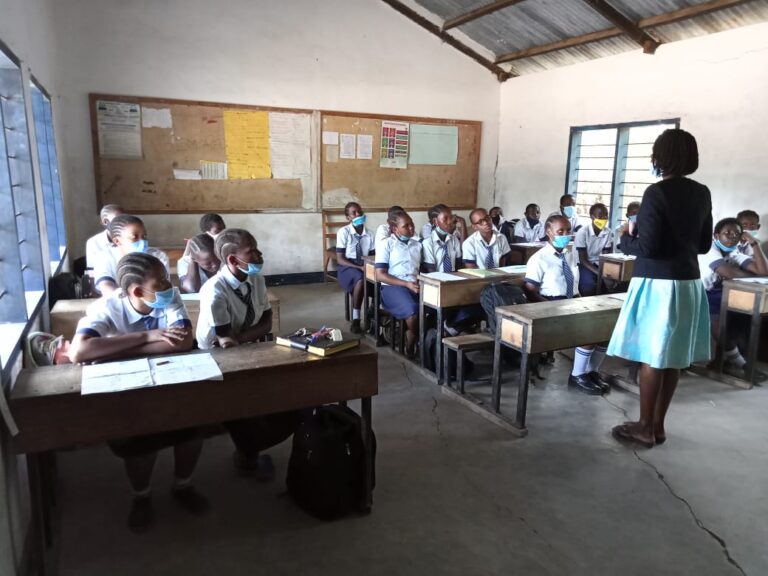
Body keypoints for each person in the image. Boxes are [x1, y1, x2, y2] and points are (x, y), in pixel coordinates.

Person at [68, 252, 207, 532]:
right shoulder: (105, 308)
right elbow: (79, 351)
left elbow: (181, 344)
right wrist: (146, 336)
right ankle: (141, 495)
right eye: (161, 283)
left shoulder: (169, 298)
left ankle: (183, 484)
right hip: (127, 389)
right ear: (136, 291)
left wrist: (113, 350)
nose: (169, 286)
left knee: (193, 430)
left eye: (168, 279)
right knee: (139, 443)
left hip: (170, 381)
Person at [607, 128, 713, 448]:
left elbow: (648, 247)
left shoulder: (657, 193)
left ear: (659, 157)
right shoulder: (702, 192)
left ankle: (643, 426)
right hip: (688, 282)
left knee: (652, 355)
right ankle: (658, 425)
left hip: (658, 284)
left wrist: (627, 237)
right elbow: (705, 245)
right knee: (673, 357)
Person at [196, 228, 300, 478]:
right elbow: (223, 342)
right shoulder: (215, 290)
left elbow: (266, 321)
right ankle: (247, 451)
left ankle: (249, 448)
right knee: (244, 407)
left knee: (290, 399)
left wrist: (242, 339)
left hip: (245, 346)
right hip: (215, 358)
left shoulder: (256, 279)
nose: (259, 254)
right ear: (232, 260)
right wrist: (241, 341)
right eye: (251, 251)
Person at [524, 215, 608, 395]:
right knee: (588, 331)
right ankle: (577, 375)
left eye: (568, 231)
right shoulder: (539, 259)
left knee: (605, 329)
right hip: (550, 305)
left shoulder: (570, 255)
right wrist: (551, 309)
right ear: (548, 232)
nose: (566, 234)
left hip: (572, 301)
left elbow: (574, 284)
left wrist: (583, 303)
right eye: (560, 231)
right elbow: (531, 291)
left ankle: (591, 372)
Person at [699, 217, 768, 371]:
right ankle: (741, 364)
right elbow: (728, 272)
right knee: (718, 325)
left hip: (724, 292)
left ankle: (727, 361)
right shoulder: (711, 249)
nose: (732, 236)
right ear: (717, 236)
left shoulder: (733, 250)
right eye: (727, 233)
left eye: (737, 233)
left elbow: (763, 271)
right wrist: (745, 274)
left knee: (744, 318)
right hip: (703, 293)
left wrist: (754, 243)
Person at [375, 211, 422, 357]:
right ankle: (412, 337)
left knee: (435, 307)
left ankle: (425, 341)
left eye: (412, 224)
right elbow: (379, 274)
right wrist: (406, 284)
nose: (411, 228)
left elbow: (423, 269)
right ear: (395, 229)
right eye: (406, 226)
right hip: (393, 287)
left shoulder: (417, 245)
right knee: (413, 311)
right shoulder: (387, 244)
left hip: (414, 285)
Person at [92, 215, 170, 296]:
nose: (142, 242)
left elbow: (163, 287)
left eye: (144, 236)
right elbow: (106, 286)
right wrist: (125, 300)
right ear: (117, 241)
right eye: (134, 237)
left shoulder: (157, 256)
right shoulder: (104, 257)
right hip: (118, 303)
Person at [335, 202, 374, 333]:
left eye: (360, 211)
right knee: (360, 279)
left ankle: (373, 312)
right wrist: (359, 267)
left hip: (365, 264)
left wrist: (367, 267)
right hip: (347, 266)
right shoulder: (344, 232)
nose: (358, 214)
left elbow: (373, 256)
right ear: (348, 218)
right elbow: (340, 258)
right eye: (354, 213)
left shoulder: (370, 234)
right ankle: (356, 319)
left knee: (381, 279)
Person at [574, 202, 613, 296]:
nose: (604, 218)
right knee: (589, 287)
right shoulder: (582, 232)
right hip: (584, 264)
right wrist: (600, 274)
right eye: (600, 216)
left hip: (599, 262)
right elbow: (583, 260)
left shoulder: (607, 232)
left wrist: (606, 273)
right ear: (592, 217)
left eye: (606, 215)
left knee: (612, 283)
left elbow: (606, 256)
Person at [85, 204, 124, 268]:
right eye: (118, 220)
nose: (122, 223)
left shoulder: (129, 238)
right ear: (105, 222)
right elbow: (92, 270)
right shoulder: (93, 242)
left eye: (124, 219)